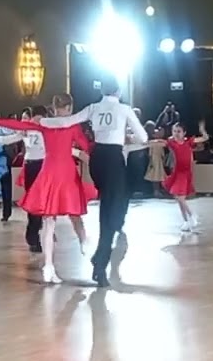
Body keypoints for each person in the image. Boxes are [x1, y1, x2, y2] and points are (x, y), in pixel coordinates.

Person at [35, 75, 146, 287]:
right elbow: (142, 137)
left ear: (102, 90)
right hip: (113, 160)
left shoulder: (93, 108)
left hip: (97, 160)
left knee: (112, 205)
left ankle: (103, 251)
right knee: (111, 213)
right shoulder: (124, 109)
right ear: (119, 91)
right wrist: (127, 137)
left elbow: (66, 121)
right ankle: (100, 263)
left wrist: (42, 122)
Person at [0, 94, 96, 284]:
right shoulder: (72, 125)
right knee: (75, 214)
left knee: (49, 222)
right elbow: (85, 145)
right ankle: (83, 242)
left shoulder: (44, 124)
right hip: (66, 172)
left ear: (54, 108)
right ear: (69, 107)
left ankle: (49, 266)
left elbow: (18, 125)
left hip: (49, 172)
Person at [0, 107, 48, 251]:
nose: (25, 120)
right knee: (33, 200)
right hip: (31, 166)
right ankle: (33, 234)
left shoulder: (48, 129)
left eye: (27, 117)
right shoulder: (25, 130)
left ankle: (37, 230)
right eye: (24, 118)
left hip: (44, 165)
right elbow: (7, 139)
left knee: (43, 200)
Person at [164, 121, 210, 233]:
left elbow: (205, 138)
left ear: (184, 133)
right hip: (177, 172)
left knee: (180, 199)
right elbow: (159, 143)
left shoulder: (189, 142)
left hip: (185, 173)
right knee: (179, 199)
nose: (176, 133)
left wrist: (202, 130)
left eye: (179, 131)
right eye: (174, 131)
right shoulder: (171, 143)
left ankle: (191, 216)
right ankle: (186, 221)